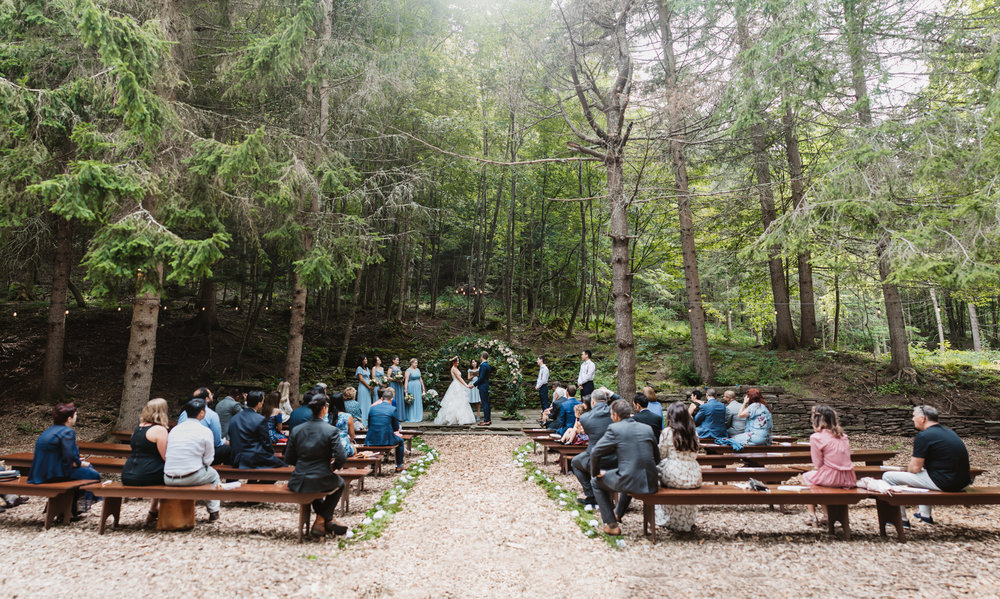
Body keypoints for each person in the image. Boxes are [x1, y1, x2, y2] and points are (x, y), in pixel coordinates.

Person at [883, 405, 972, 528]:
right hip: (963, 482)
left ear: (923, 418)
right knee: (923, 473)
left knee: (888, 477)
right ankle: (925, 515)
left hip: (945, 483)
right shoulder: (949, 433)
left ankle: (900, 519)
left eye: (914, 416)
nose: (912, 419)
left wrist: (907, 469)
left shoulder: (924, 436)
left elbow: (914, 469)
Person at [589, 399, 660, 535]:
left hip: (630, 479)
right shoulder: (647, 428)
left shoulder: (615, 428)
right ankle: (618, 513)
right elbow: (657, 458)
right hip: (651, 481)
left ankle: (611, 524)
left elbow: (595, 452)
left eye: (611, 415)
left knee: (595, 482)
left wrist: (596, 472)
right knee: (625, 474)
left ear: (615, 415)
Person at [284, 392, 348, 537]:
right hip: (322, 476)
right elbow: (341, 457)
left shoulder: (297, 430)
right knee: (340, 484)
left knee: (315, 490)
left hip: (299, 478)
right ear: (325, 409)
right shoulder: (331, 430)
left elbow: (289, 458)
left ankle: (323, 520)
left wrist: (302, 465)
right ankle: (324, 519)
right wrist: (333, 467)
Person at [28, 403, 101, 517]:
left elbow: (62, 455)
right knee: (92, 474)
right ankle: (71, 510)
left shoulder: (49, 431)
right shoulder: (67, 432)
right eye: (75, 415)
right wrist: (81, 463)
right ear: (69, 419)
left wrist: (76, 461)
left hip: (40, 474)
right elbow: (69, 459)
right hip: (54, 475)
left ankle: (68, 508)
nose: (76, 417)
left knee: (86, 472)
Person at [163, 398, 221, 522]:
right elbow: (209, 459)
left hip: (168, 477)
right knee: (214, 475)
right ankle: (214, 511)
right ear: (201, 413)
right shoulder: (205, 431)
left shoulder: (175, 430)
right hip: (191, 476)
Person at [801, 405, 857, 525]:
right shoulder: (843, 436)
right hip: (848, 477)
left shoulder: (816, 437)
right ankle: (825, 515)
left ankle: (813, 515)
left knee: (807, 477)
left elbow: (818, 463)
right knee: (816, 480)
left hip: (832, 477)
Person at [121, 398, 170, 528]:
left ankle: (153, 511)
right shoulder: (160, 430)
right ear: (162, 412)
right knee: (173, 475)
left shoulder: (138, 429)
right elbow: (165, 457)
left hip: (128, 473)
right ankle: (168, 512)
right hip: (147, 473)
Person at [655, 402, 702, 532]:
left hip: (674, 473)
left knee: (656, 472)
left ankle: (668, 517)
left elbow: (661, 454)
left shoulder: (667, 432)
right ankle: (687, 520)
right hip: (694, 474)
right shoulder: (693, 433)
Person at [571, 388, 614, 508]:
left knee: (575, 463)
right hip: (615, 457)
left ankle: (591, 495)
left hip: (595, 458)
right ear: (606, 400)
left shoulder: (585, 418)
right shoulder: (615, 414)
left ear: (593, 402)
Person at [228, 390, 286, 469]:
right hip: (253, 457)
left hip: (236, 457)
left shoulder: (235, 418)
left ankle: (251, 481)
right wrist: (270, 454)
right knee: (282, 466)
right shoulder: (260, 419)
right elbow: (266, 442)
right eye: (262, 401)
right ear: (259, 403)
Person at [177, 387, 232, 465]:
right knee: (229, 448)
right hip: (200, 454)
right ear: (206, 399)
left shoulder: (184, 413)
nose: (212, 396)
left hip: (183, 451)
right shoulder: (212, 415)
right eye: (211, 394)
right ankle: (228, 474)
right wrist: (225, 441)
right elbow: (216, 442)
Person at [367, 388, 406, 472]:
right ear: (391, 399)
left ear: (382, 398)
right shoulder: (392, 409)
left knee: (375, 443)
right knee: (401, 441)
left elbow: (369, 425)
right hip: (386, 438)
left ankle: (373, 465)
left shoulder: (372, 408)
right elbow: (396, 428)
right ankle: (399, 465)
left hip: (371, 438)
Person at [434, 356, 477, 425]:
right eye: (457, 361)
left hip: (458, 385)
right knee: (455, 401)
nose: (458, 362)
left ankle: (460, 418)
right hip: (456, 385)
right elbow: (459, 378)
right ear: (454, 362)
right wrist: (466, 385)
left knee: (460, 401)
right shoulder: (453, 369)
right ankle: (454, 419)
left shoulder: (456, 368)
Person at [329, 392, 357, 457]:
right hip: (343, 447)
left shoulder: (326, 417)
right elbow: (352, 436)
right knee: (354, 448)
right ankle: (357, 466)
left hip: (329, 448)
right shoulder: (347, 416)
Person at [472, 351, 492, 426]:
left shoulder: (483, 365)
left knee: (484, 403)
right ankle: (488, 419)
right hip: (485, 385)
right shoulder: (487, 365)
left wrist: (474, 384)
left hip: (483, 386)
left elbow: (481, 378)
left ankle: (486, 420)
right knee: (486, 402)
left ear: (481, 357)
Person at [404, 358, 425, 422]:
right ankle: (411, 417)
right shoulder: (408, 370)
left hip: (418, 387)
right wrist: (405, 389)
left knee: (418, 401)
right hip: (411, 387)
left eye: (417, 363)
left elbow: (420, 379)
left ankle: (418, 416)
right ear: (412, 363)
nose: (417, 364)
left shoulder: (418, 370)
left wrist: (423, 389)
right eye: (415, 363)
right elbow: (406, 380)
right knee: (412, 401)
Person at [356, 356, 375, 424]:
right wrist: (368, 386)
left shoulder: (366, 368)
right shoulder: (359, 368)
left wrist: (372, 384)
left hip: (368, 387)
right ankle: (362, 420)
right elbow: (361, 379)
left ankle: (367, 419)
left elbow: (369, 378)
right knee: (362, 402)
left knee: (368, 402)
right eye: (365, 359)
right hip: (363, 387)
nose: (366, 360)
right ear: (362, 360)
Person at [388, 356, 406, 422]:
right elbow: (388, 377)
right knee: (394, 398)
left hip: (399, 385)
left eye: (398, 360)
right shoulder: (391, 368)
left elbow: (401, 376)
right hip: (394, 385)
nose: (398, 361)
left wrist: (401, 379)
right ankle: (394, 416)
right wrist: (395, 379)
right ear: (393, 360)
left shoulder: (399, 368)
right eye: (397, 360)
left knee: (400, 399)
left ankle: (400, 416)